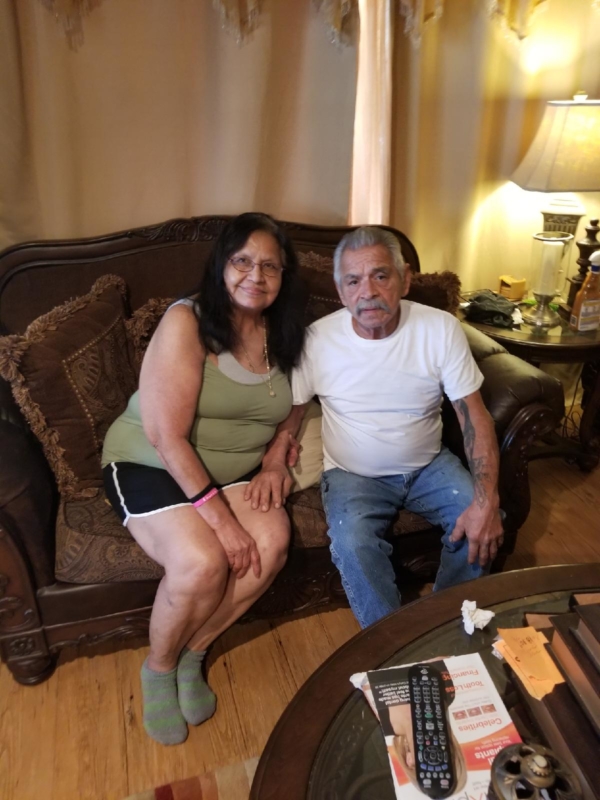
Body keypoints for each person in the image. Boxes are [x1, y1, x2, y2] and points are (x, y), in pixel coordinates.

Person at [101, 212, 305, 745]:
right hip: (152, 461)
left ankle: (195, 651)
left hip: (235, 470)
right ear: (221, 265)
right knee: (202, 562)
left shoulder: (286, 332)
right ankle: (159, 667)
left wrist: (278, 456)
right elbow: (166, 437)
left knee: (272, 543)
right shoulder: (187, 321)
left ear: (284, 277)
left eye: (269, 266)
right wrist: (223, 523)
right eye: (242, 261)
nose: (254, 276)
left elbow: (295, 405)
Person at [260, 225, 504, 629]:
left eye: (380, 275)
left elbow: (474, 416)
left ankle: (446, 624)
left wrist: (486, 499)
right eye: (353, 281)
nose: (367, 292)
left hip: (429, 465)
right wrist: (273, 461)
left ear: (404, 279)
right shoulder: (316, 341)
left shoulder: (439, 328)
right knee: (353, 544)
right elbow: (295, 411)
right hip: (352, 475)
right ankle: (389, 642)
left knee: (480, 520)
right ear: (340, 292)